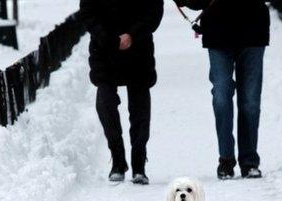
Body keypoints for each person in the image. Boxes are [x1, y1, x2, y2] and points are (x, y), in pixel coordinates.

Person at [174, 0, 271, 179]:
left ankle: (249, 160)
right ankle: (226, 158)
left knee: (250, 101)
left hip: (253, 31)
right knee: (221, 95)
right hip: (218, 34)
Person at [79, 0, 164, 185]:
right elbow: (87, 12)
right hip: (104, 50)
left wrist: (132, 34)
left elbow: (154, 11)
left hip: (139, 49)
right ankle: (117, 158)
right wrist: (107, 37)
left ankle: (139, 162)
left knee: (140, 108)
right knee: (105, 103)